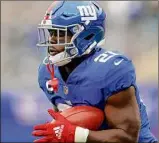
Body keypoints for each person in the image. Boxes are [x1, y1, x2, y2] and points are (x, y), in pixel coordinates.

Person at [32, 1, 157, 143]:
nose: (52, 40)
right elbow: (65, 122)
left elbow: (127, 138)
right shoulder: (47, 72)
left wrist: (76, 135)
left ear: (87, 35)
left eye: (60, 34)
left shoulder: (111, 69)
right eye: (51, 32)